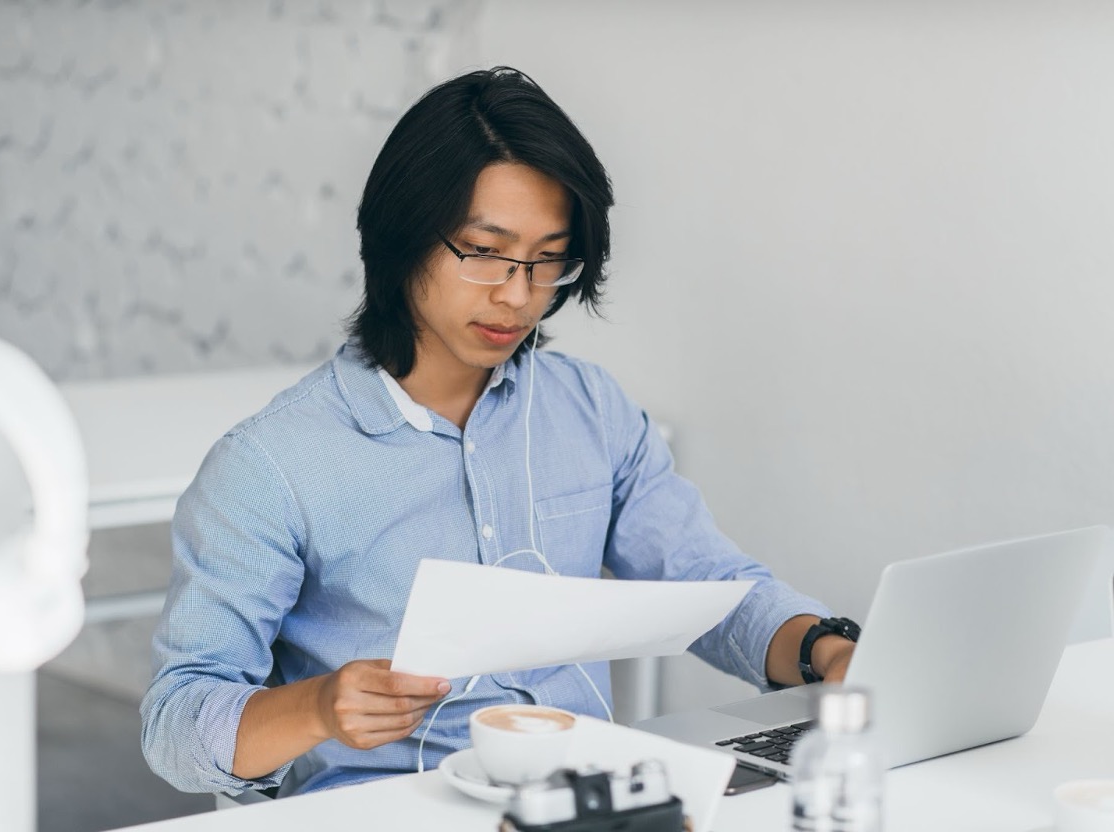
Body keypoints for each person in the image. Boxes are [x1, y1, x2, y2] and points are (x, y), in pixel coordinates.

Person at [140, 66, 856, 798]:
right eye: (483, 251)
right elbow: (175, 724)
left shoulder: (590, 410)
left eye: (548, 261)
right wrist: (317, 707)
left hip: (581, 806)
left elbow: (709, 583)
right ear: (403, 236)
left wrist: (826, 650)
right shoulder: (271, 465)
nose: (518, 295)